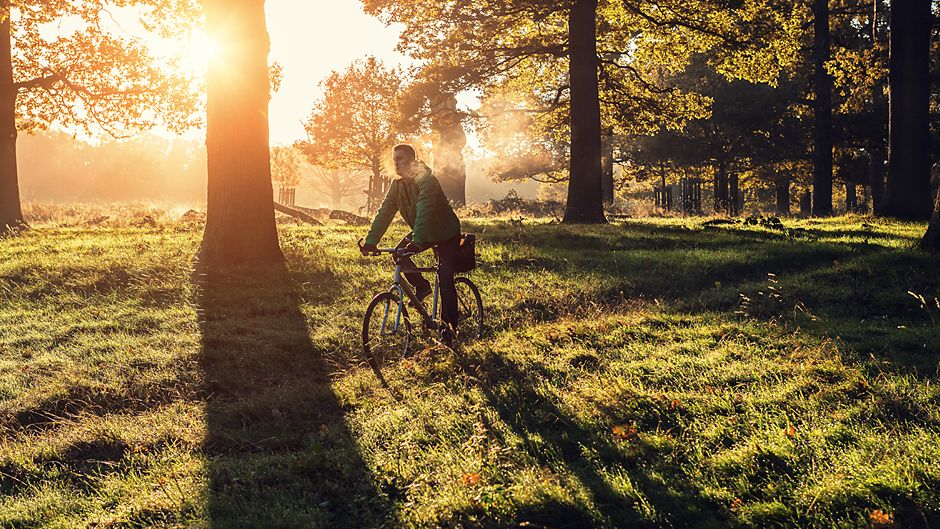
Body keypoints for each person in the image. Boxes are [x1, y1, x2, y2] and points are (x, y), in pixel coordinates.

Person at [360, 144, 462, 342]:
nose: (396, 163)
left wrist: (417, 241)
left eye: (401, 159)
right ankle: (422, 286)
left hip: (446, 233)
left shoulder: (426, 180)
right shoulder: (397, 184)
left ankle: (449, 329)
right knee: (399, 254)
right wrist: (371, 241)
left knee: (445, 276)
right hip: (422, 232)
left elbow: (425, 210)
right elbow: (386, 211)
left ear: (412, 161)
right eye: (394, 159)